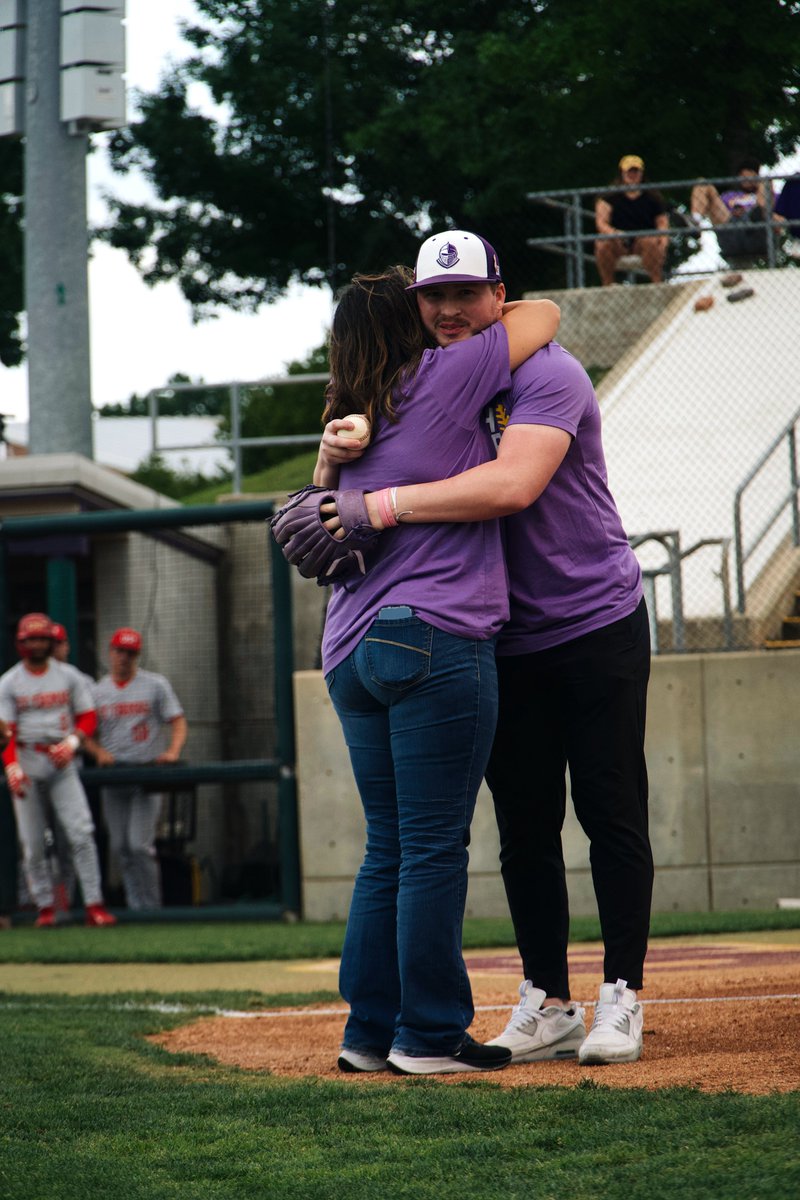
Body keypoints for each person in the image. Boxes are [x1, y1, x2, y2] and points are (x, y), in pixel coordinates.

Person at [318, 229, 653, 1067]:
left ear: (497, 295)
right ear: (415, 306)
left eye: (467, 292)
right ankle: (547, 999)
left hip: (591, 616)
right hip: (496, 633)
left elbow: (513, 485)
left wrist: (374, 496)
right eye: (434, 296)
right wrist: (336, 453)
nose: (450, 308)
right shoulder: (423, 379)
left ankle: (622, 993)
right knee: (523, 827)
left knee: (608, 811)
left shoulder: (546, 370)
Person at [308, 251, 560, 1075]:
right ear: (405, 324)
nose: (439, 313)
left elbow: (320, 498)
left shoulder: (345, 409)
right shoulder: (443, 379)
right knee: (431, 848)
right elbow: (545, 314)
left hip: (347, 648)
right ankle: (429, 1035)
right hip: (434, 635)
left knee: (389, 847)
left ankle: (367, 1034)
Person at [0, 613, 116, 927]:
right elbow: (5, 731)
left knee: (82, 833)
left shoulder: (69, 676)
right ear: (21, 643)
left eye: (42, 639)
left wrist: (73, 743)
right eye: (31, 639)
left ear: (52, 641)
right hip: (26, 759)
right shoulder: (9, 682)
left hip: (61, 761)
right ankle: (45, 909)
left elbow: (88, 717)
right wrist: (11, 766)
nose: (37, 644)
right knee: (33, 844)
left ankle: (94, 905)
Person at [81, 628, 187, 911]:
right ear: (110, 652)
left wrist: (172, 751)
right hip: (114, 774)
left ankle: (151, 908)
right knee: (121, 848)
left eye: (130, 653)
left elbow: (177, 720)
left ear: (137, 655)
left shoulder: (154, 684)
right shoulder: (97, 691)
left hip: (147, 772)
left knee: (140, 845)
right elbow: (83, 733)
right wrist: (98, 752)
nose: (124, 658)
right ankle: (134, 905)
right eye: (119, 651)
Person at [594, 154, 669, 285]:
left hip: (643, 241)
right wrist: (615, 234)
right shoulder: (609, 197)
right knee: (602, 244)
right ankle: (608, 285)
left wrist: (663, 240)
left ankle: (657, 283)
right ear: (622, 173)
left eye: (636, 171)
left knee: (651, 241)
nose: (632, 175)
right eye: (629, 171)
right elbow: (601, 222)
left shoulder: (653, 198)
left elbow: (662, 223)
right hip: (618, 241)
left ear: (641, 174)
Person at [690, 159, 784, 260]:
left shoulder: (772, 195)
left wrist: (754, 210)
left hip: (758, 231)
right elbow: (719, 214)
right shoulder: (728, 196)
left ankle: (757, 212)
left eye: (749, 177)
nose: (746, 180)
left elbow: (779, 220)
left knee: (766, 182)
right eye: (743, 177)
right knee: (702, 183)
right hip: (731, 230)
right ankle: (695, 221)